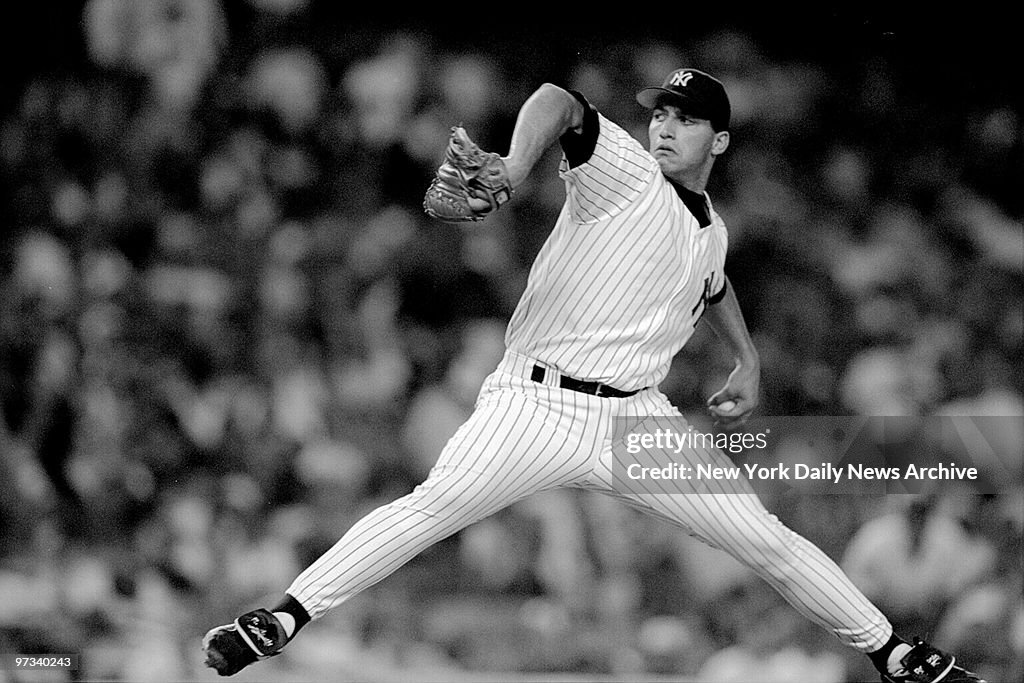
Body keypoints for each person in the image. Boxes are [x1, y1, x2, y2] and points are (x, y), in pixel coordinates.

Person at [202, 68, 985, 682]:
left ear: (720, 141)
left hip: (634, 421)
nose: (665, 126)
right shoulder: (624, 174)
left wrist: (746, 355)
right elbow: (559, 99)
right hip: (535, 402)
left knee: (767, 541)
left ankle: (897, 656)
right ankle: (281, 618)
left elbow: (711, 283)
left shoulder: (712, 229)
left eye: (686, 119)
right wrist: (513, 162)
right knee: (430, 508)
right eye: (660, 113)